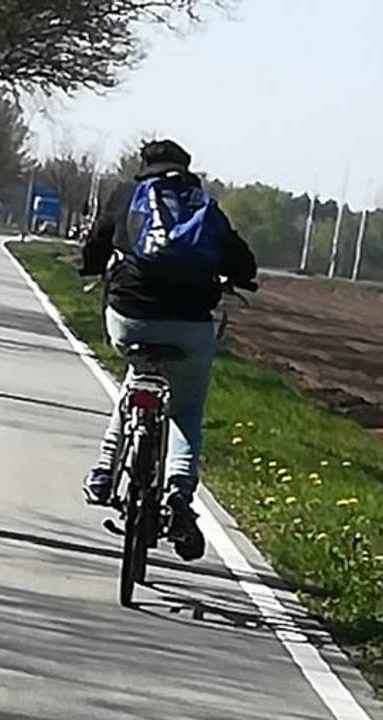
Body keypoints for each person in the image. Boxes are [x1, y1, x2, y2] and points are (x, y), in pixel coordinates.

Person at [79, 139, 258, 561]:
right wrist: (238, 278)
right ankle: (178, 497)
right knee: (185, 410)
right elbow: (243, 263)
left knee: (137, 373)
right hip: (191, 325)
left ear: (146, 168)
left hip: (129, 318)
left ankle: (104, 472)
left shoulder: (126, 196)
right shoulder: (205, 207)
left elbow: (96, 245)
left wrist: (89, 265)